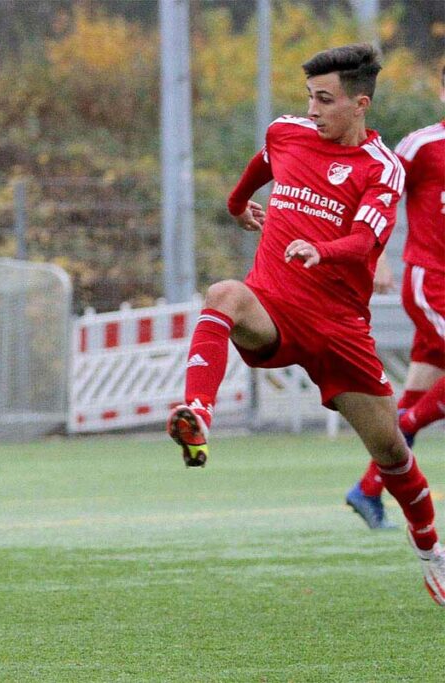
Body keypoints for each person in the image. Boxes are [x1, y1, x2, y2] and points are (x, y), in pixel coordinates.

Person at [165, 44, 444, 606]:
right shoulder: (286, 133)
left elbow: (367, 240)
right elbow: (259, 167)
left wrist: (325, 250)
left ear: (359, 103)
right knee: (223, 294)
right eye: (309, 98)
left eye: (324, 99)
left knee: (392, 452)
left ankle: (431, 554)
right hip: (274, 304)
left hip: (340, 329)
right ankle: (198, 413)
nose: (311, 110)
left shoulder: (380, 166)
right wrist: (238, 203)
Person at [345, 65, 445, 530]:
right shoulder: (422, 146)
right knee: (414, 411)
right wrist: (375, 254)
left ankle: (368, 489)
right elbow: (376, 188)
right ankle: (402, 431)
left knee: (417, 395)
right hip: (432, 282)